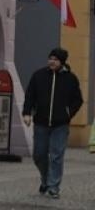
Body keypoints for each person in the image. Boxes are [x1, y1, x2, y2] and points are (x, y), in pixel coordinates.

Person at [22, 46, 83, 199]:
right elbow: (30, 95)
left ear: (62, 62)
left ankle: (53, 187)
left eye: (55, 59)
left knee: (56, 155)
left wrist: (68, 114)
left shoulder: (71, 79)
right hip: (41, 122)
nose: (51, 61)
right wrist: (27, 112)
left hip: (60, 125)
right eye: (50, 58)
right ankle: (46, 179)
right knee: (39, 155)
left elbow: (78, 100)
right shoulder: (39, 76)